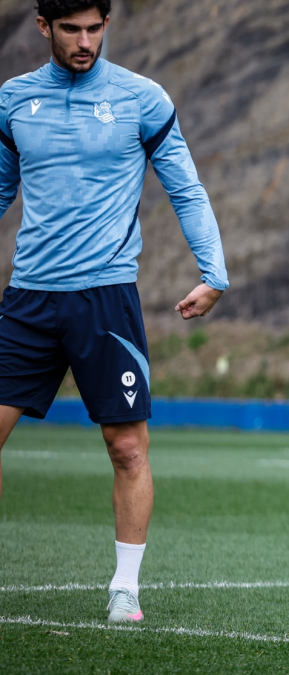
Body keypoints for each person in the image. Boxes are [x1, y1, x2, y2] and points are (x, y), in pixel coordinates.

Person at [0, 0, 229, 623]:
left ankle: (124, 587)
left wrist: (215, 273)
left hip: (106, 298)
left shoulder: (141, 99)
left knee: (127, 447)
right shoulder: (13, 100)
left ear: (107, 24)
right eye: (70, 29)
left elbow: (185, 185)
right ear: (43, 27)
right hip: (27, 298)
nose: (84, 41)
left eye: (94, 28)